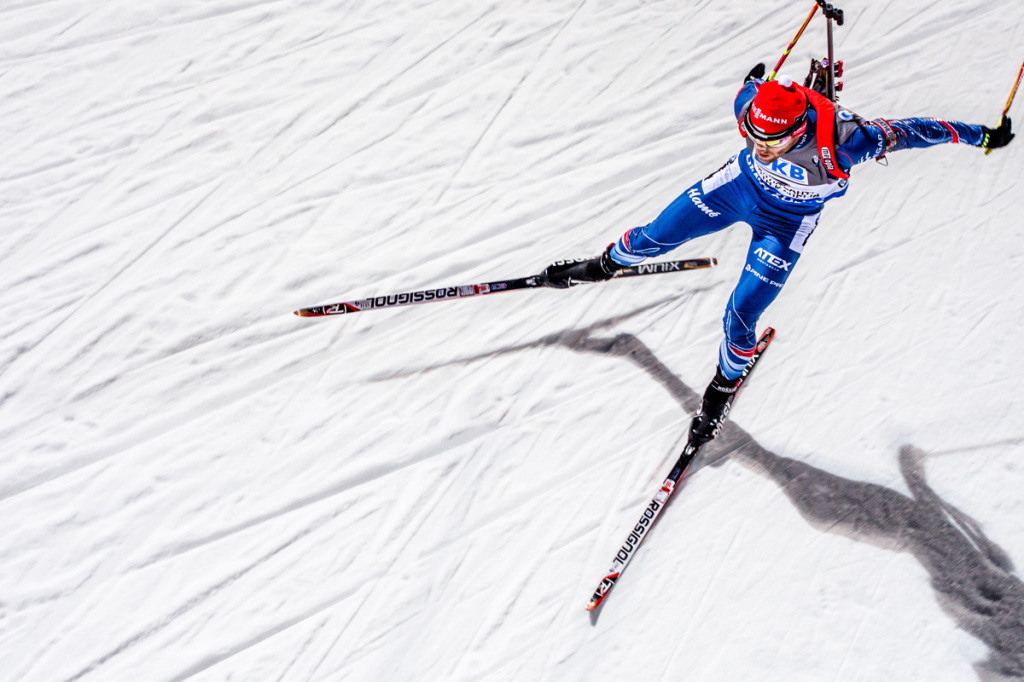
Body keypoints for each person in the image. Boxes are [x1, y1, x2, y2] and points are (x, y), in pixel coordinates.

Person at [540, 62, 1015, 445]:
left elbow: (918, 130)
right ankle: (603, 267)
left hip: (784, 227)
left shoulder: (846, 142)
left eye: (774, 140)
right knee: (650, 238)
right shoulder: (753, 109)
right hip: (735, 189)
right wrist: (757, 81)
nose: (762, 146)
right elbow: (750, 88)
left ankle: (721, 390)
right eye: (753, 136)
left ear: (801, 126)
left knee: (740, 314)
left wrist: (980, 135)